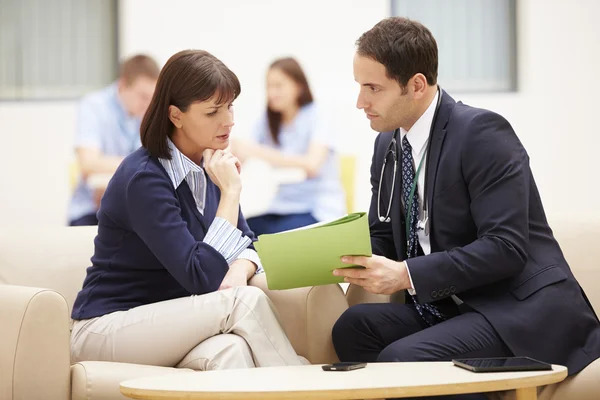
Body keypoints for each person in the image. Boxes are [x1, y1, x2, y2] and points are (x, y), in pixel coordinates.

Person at [332, 16, 600, 397]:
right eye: (360, 87)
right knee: (353, 327)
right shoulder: (387, 145)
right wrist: (331, 256)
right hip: (451, 306)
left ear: (417, 85)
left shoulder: (482, 133)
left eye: (373, 88)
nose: (361, 102)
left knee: (403, 359)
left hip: (513, 307)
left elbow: (505, 247)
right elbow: (383, 236)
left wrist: (407, 275)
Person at [70, 50, 305, 371]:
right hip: (107, 327)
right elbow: (200, 278)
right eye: (213, 112)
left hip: (169, 319)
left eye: (230, 106)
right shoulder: (145, 178)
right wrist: (231, 192)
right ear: (175, 115)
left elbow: (248, 244)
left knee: (231, 350)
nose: (229, 121)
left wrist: (238, 270)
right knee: (243, 302)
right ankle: (303, 384)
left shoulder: (207, 165)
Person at [231, 57, 345, 235]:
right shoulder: (267, 121)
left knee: (264, 239)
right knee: (238, 231)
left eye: (278, 86)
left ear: (298, 86)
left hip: (318, 210)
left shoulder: (318, 115)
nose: (272, 93)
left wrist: (256, 151)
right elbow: (242, 151)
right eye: (268, 86)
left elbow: (312, 165)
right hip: (282, 208)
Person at [68, 54, 160, 226]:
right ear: (123, 85)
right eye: (143, 96)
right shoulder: (94, 106)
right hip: (90, 210)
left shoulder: (147, 112)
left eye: (153, 97)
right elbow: (88, 164)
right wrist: (140, 164)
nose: (149, 104)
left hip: (131, 208)